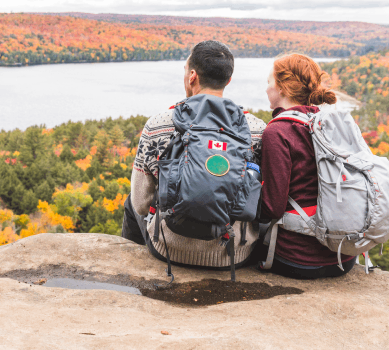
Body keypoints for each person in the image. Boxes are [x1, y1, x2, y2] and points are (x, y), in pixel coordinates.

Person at [122, 40, 266, 272]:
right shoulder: (256, 128)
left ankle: (131, 269)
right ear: (228, 80)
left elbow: (141, 204)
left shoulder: (159, 124)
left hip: (169, 250)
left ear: (192, 76)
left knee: (130, 200)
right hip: (232, 255)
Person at [258, 53, 356, 279]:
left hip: (297, 259)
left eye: (269, 82)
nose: (266, 88)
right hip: (344, 257)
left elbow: (272, 208)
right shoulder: (328, 122)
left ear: (281, 88)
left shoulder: (278, 131)